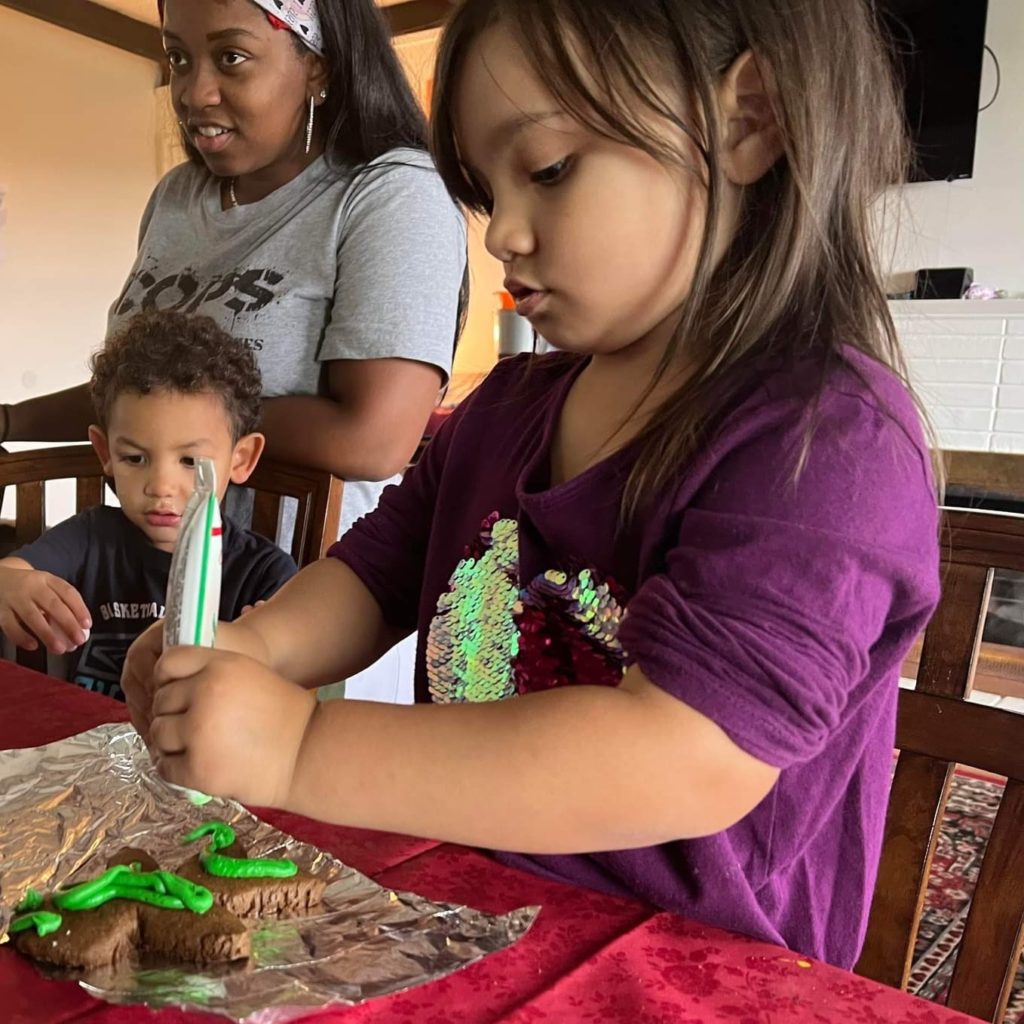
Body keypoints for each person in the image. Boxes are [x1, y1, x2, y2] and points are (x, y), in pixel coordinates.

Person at [121, 0, 941, 968]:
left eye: (548, 168)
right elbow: (372, 576)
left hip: (691, 979)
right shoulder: (505, 409)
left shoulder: (828, 447)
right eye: (487, 188)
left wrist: (300, 747)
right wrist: (244, 647)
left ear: (748, 120)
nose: (502, 233)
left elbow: (677, 752)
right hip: (459, 931)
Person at [0, 0, 466, 539]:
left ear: (319, 63)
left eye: (231, 57)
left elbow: (374, 440)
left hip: (297, 596)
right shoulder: (177, 197)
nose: (194, 93)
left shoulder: (391, 194)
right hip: (149, 585)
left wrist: (167, 427)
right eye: (178, 58)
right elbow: (136, 392)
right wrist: (11, 419)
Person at [0, 312, 296, 700]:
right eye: (135, 458)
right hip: (88, 746)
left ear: (240, 459)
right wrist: (9, 583)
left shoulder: (262, 573)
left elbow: (289, 689)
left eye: (190, 462)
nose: (160, 486)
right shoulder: (91, 537)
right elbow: (11, 573)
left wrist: (262, 648)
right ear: (105, 451)